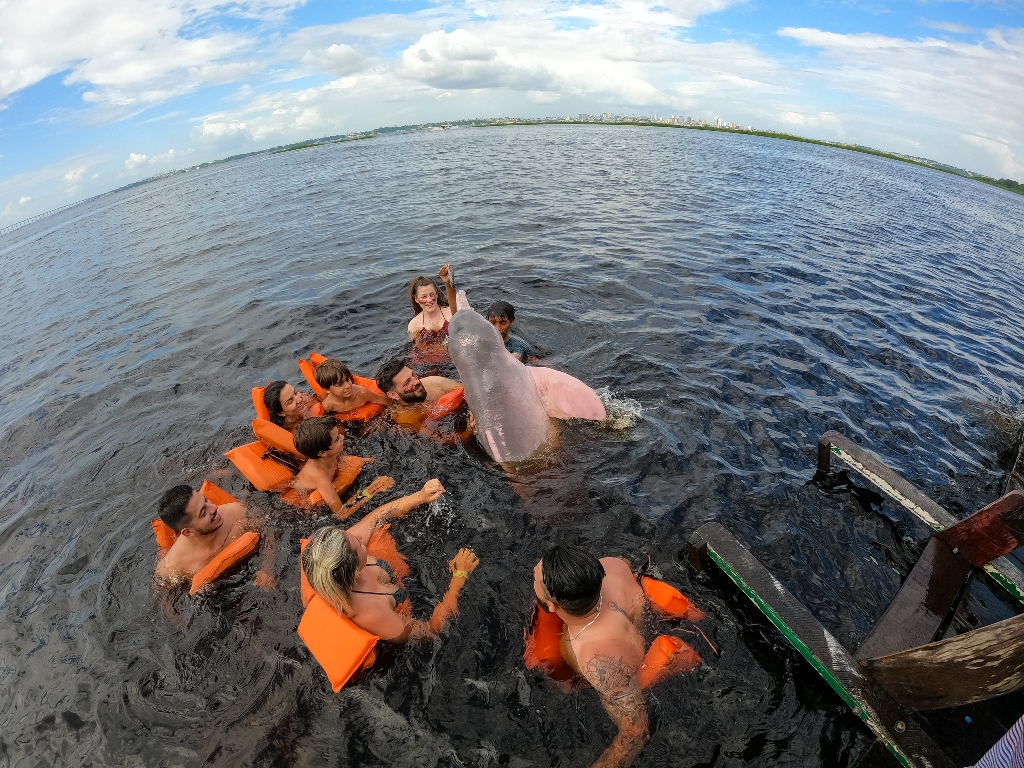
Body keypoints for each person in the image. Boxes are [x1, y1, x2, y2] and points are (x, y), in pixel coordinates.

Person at [302, 479, 480, 642]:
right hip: (412, 602)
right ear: (355, 570)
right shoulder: (372, 614)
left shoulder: (340, 553)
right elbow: (430, 631)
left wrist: (419, 496)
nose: (357, 536)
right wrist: (459, 577)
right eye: (357, 543)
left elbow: (376, 517)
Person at [533, 547, 649, 768]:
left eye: (535, 580)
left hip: (624, 660)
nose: (533, 576)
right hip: (632, 614)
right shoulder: (612, 563)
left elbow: (635, 732)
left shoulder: (598, 659)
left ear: (552, 606)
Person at [154, 484, 277, 589]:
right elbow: (167, 601)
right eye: (203, 513)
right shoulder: (174, 565)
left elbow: (270, 529)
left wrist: (267, 567)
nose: (214, 507)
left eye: (206, 500)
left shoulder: (237, 513)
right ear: (188, 532)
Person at [292, 416, 394, 517]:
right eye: (337, 439)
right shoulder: (320, 476)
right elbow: (341, 513)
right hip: (298, 503)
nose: (342, 437)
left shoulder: (330, 455)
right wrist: (373, 489)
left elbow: (345, 460)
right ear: (322, 452)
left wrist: (367, 461)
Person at [375, 357, 463, 434]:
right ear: (393, 395)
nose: (417, 381)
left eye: (413, 375)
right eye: (407, 382)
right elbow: (446, 440)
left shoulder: (434, 382)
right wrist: (470, 429)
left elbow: (468, 391)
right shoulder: (407, 421)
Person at [406, 265, 458, 356]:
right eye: (424, 297)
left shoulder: (450, 312)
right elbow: (417, 352)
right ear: (416, 299)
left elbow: (454, 302)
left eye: (432, 295)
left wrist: (448, 282)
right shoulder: (413, 325)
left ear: (437, 294)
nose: (429, 300)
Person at [313, 358, 390, 416]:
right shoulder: (328, 405)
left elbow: (387, 402)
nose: (347, 385)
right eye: (340, 384)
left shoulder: (362, 393)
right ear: (327, 390)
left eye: (347, 379)